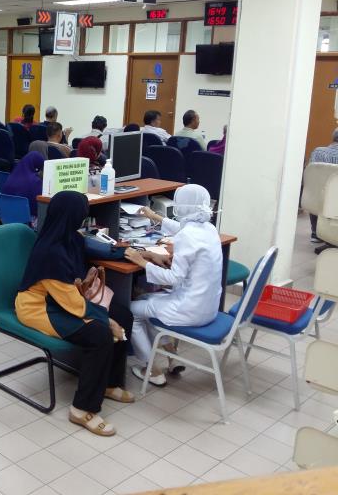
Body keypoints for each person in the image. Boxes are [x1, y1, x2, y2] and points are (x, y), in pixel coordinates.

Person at [16, 191, 133, 437]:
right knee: (99, 334)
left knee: (124, 315)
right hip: (38, 308)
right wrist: (106, 320)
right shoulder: (51, 252)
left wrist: (87, 281)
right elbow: (73, 304)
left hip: (61, 301)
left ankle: (109, 383)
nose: (84, 218)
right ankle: (82, 408)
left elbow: (75, 283)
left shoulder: (72, 239)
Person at [124, 184, 223, 387]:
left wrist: (141, 260)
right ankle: (172, 357)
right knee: (146, 301)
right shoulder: (210, 229)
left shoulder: (187, 236)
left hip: (189, 310)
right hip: (208, 307)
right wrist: (156, 217)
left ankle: (151, 369)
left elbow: (173, 278)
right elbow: (184, 229)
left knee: (132, 312)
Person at [307, 127, 338, 242]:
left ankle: (316, 233)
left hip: (316, 197)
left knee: (317, 192)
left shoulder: (318, 151)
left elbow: (310, 174)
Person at [2, 151, 44, 217]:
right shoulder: (35, 181)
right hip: (26, 221)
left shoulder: (12, 176)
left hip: (7, 217)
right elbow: (38, 207)